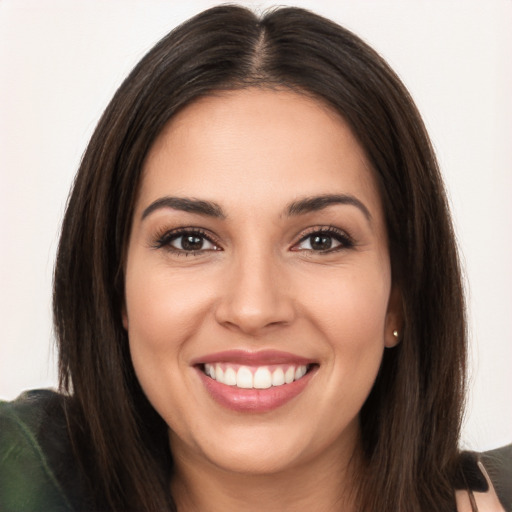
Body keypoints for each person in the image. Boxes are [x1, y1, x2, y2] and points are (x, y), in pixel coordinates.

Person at [0, 5, 510, 512]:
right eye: (191, 241)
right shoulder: (22, 478)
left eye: (321, 241)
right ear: (117, 287)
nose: (253, 308)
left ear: (399, 296)